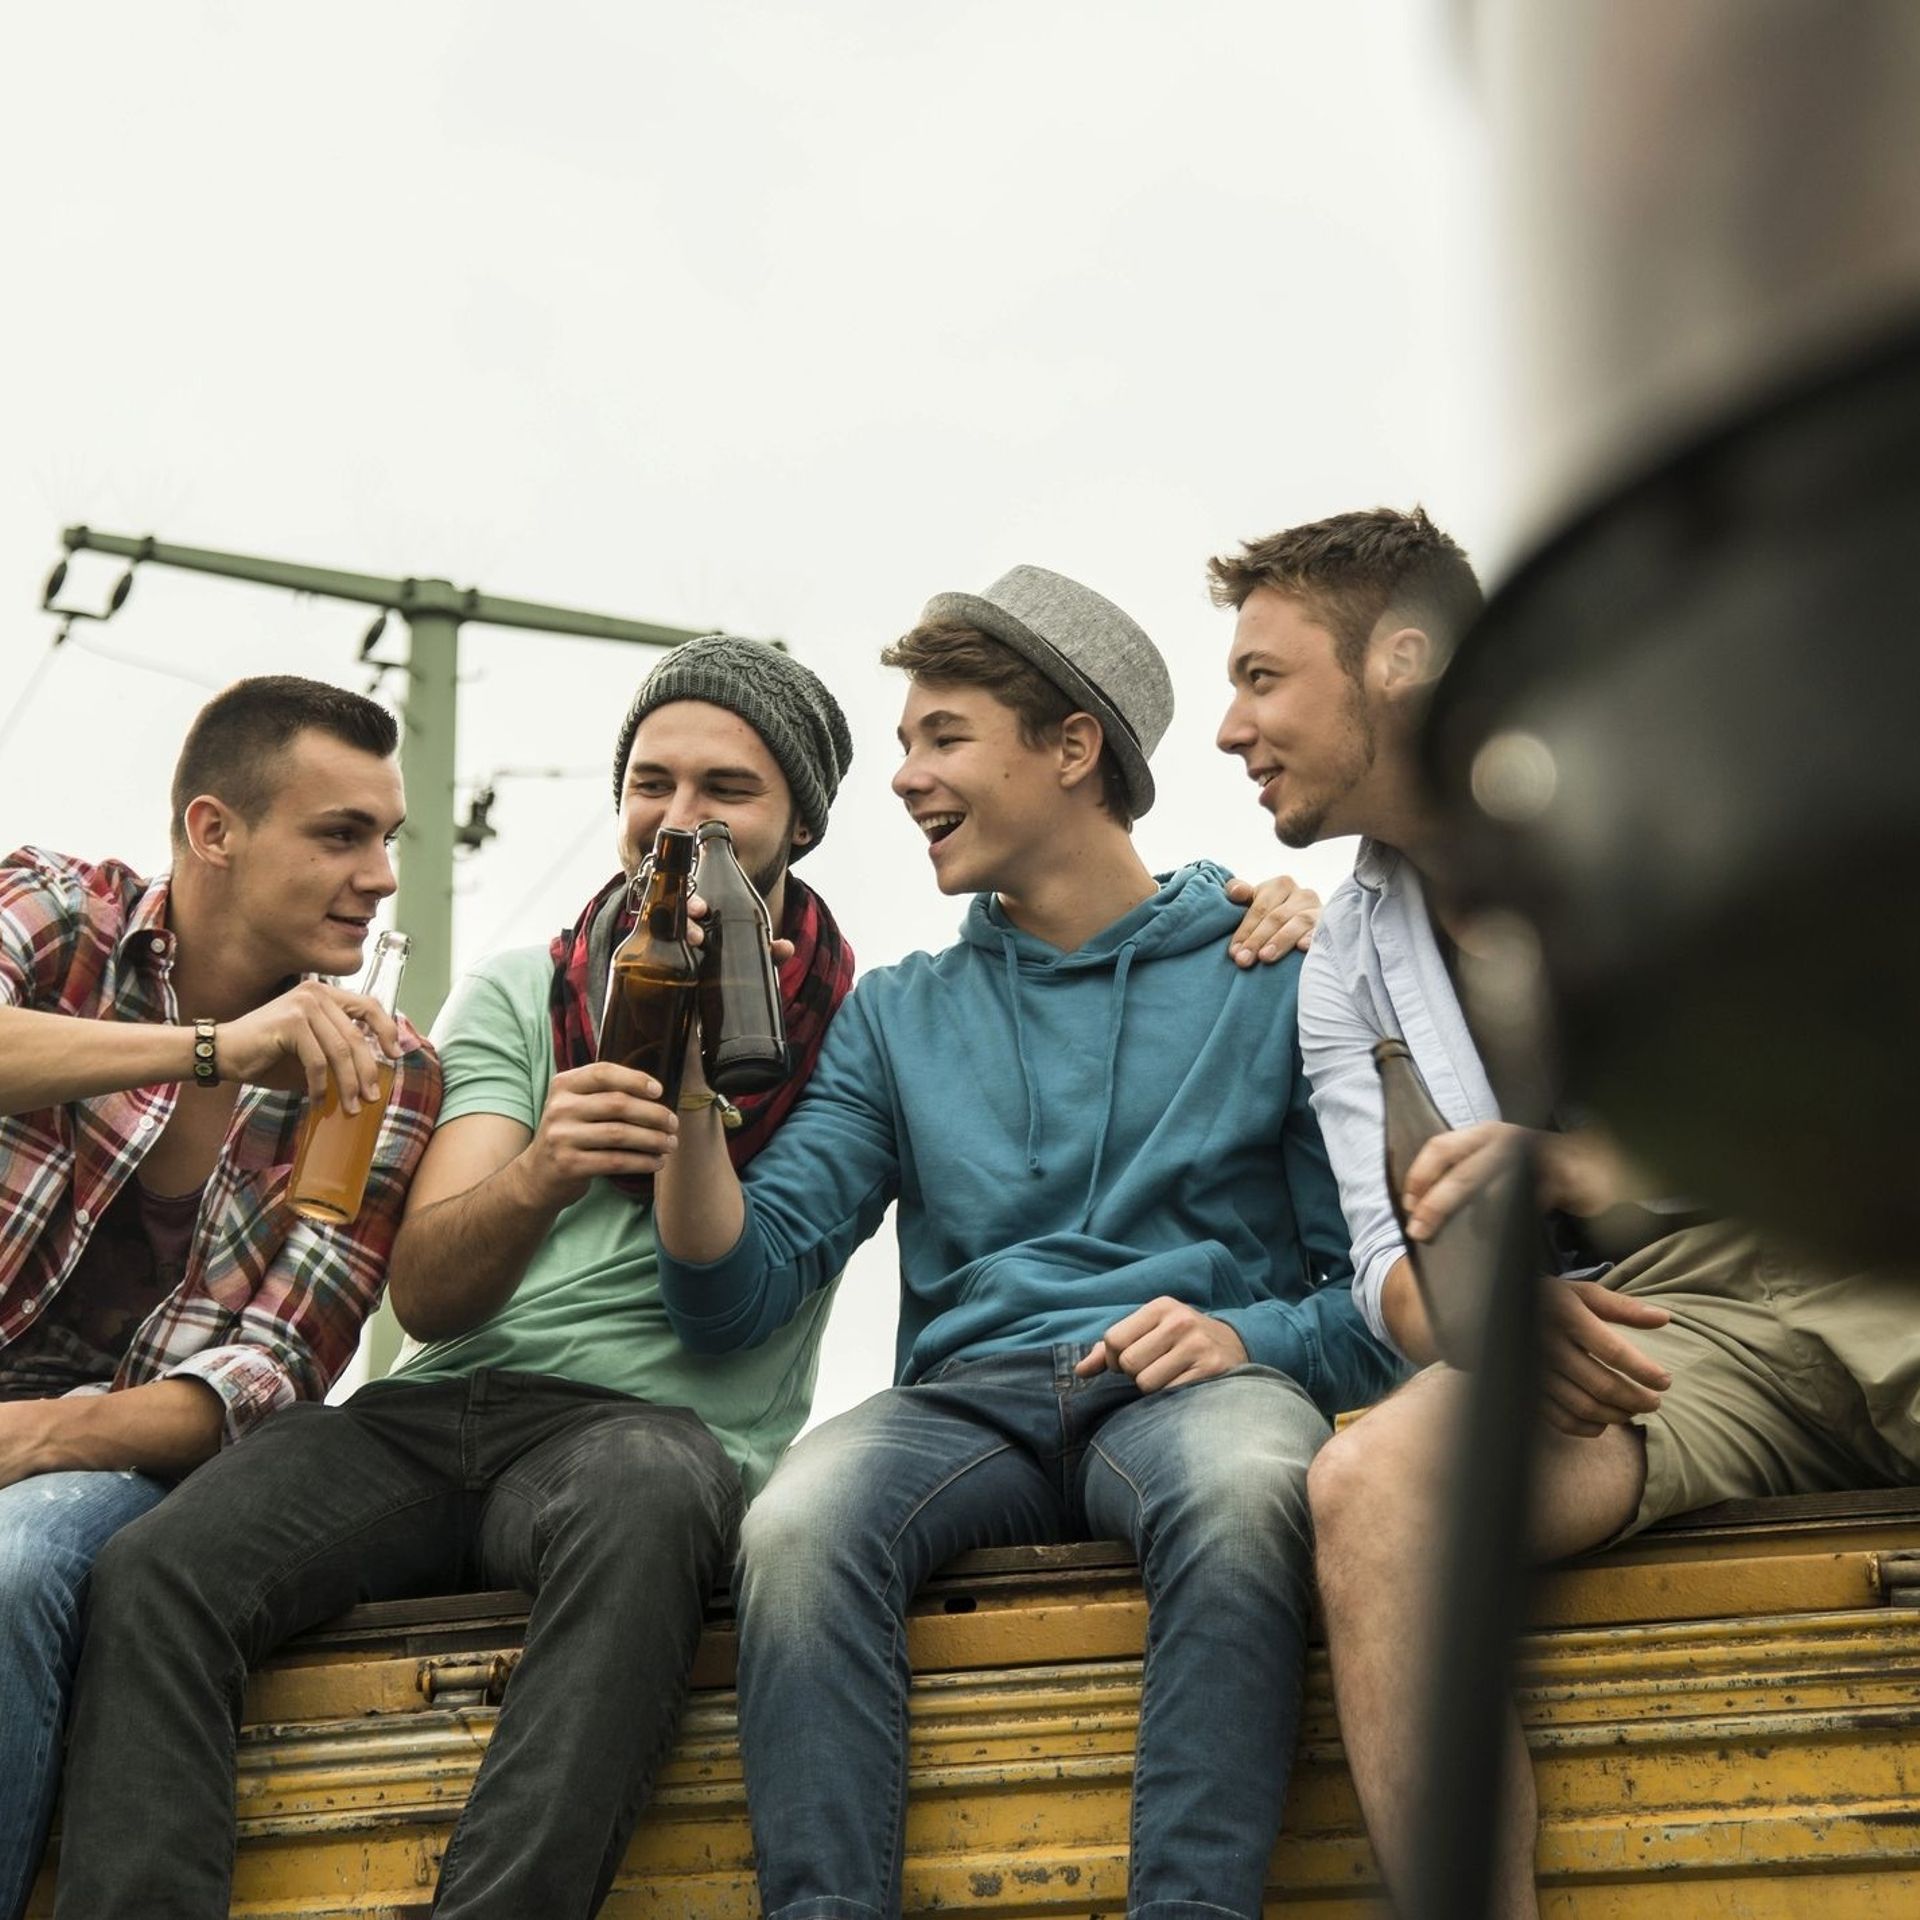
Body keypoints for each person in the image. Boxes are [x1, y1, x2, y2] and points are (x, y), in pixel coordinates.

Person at [49, 638, 860, 1920]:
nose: (680, 818)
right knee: (155, 1570)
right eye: (653, 781)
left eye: (728, 790)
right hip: (435, 1413)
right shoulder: (521, 989)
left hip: (640, 1435)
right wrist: (542, 1168)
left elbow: (735, 1296)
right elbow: (424, 1295)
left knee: (649, 1499)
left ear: (800, 822)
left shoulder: (852, 1034)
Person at [653, 566, 1400, 1920]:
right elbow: (737, 1294)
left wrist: (1250, 1336)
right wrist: (691, 1086)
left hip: (1197, 1383)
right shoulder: (899, 1015)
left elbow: (1382, 1302)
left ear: (1073, 749)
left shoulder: (1281, 965)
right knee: (800, 1526)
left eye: (942, 738)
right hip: (964, 1408)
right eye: (903, 745)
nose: (903, 778)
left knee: (1247, 1496)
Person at [1211, 505, 1920, 1917]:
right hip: (1674, 1336)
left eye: (1262, 677)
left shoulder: (1677, 776)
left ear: (1402, 662)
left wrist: (1586, 1166)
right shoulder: (1345, 956)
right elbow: (1381, 1265)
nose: (1231, 729)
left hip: (1870, 1247)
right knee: (1372, 1488)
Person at [0, 673, 439, 1920]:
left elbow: (262, 1379)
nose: (382, 875)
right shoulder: (53, 913)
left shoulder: (385, 1075)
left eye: (388, 839)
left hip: (99, 1454)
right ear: (213, 831)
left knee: (22, 1568)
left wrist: (30, 1439)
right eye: (340, 835)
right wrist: (212, 1048)